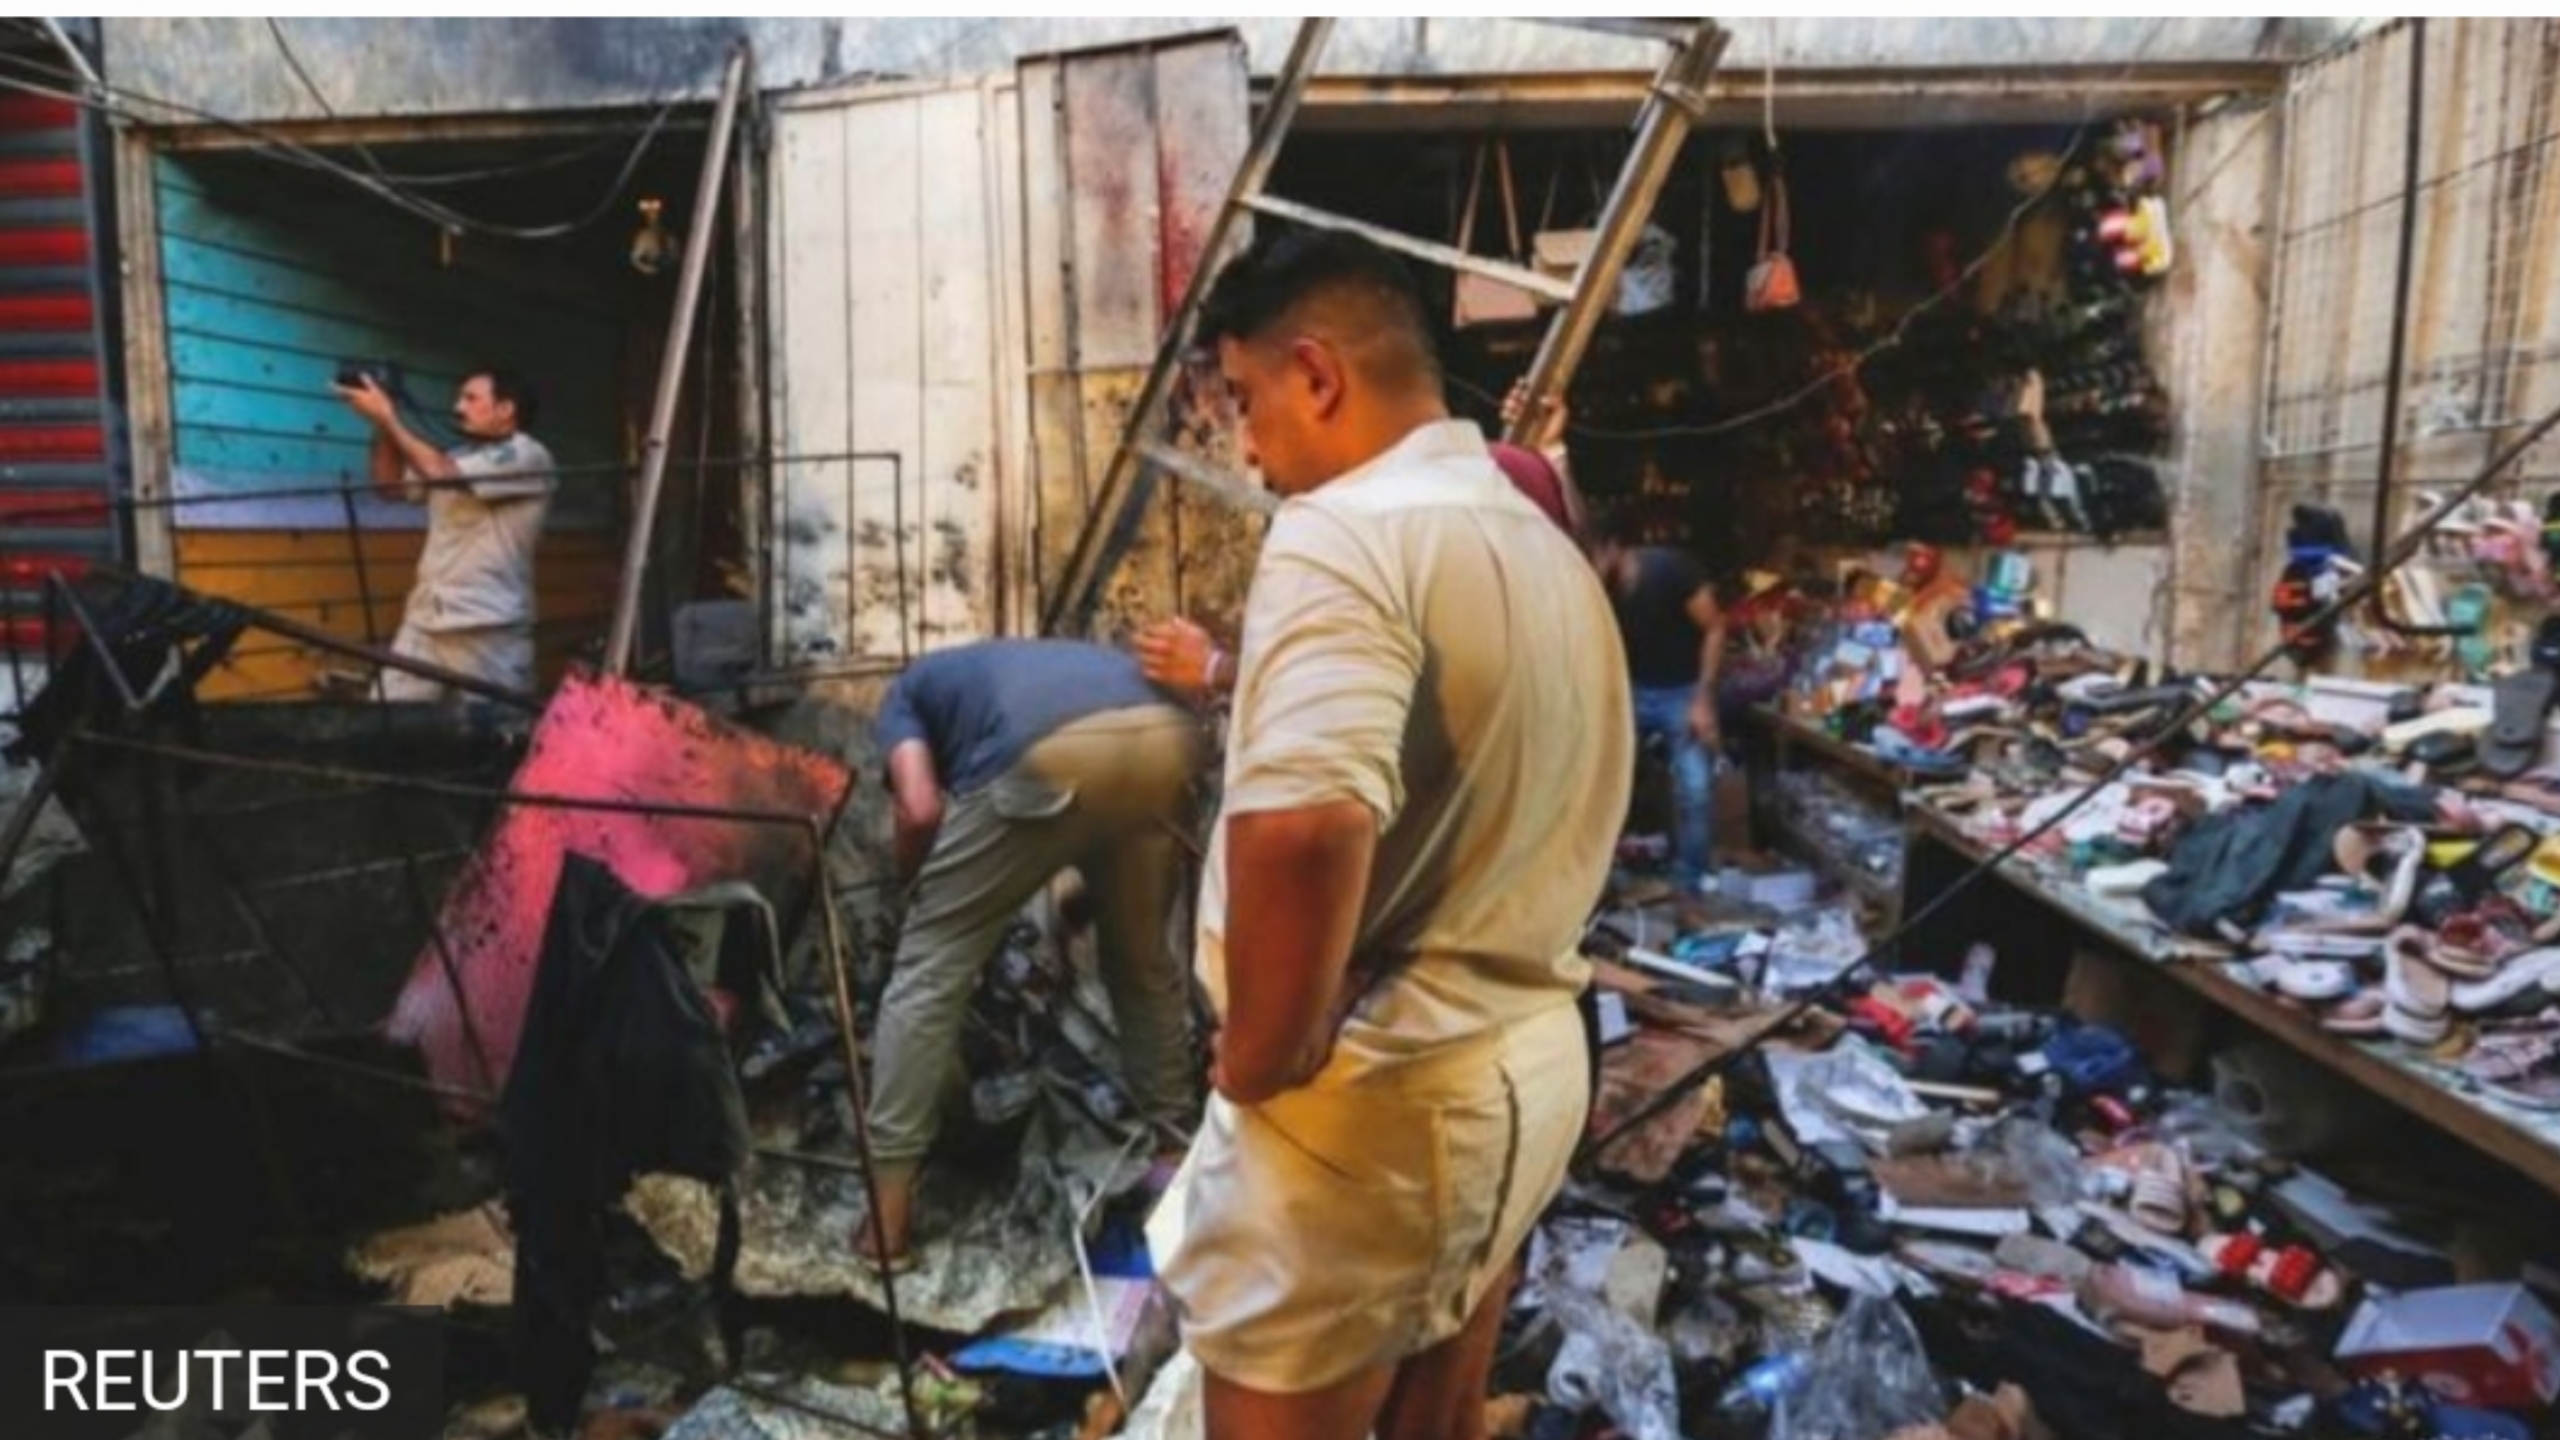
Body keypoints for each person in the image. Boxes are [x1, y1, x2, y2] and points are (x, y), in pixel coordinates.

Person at [1146, 229, 1630, 1440]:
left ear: (1316, 374)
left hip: (1374, 1116)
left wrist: (1256, 1053)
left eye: (1246, 401)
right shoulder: (1543, 547)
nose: (1249, 448)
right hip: (1523, 1068)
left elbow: (1308, 826)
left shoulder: (1345, 530)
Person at [859, 639, 1202, 1266]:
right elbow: (1095, 829)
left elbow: (918, 809)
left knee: (928, 973)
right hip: (1166, 741)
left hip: (1049, 754)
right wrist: (1078, 903)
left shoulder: (904, 694)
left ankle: (886, 1225)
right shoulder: (1021, 665)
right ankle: (1176, 1163)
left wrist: (918, 898)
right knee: (1142, 965)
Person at [1133, 374, 1583, 701]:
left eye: (1250, 405)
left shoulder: (1357, 532)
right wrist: (1548, 455)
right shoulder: (1508, 476)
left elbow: (1327, 682)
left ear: (1324, 387)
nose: (1250, 450)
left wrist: (1213, 667)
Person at [335, 366, 557, 702]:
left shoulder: (527, 455)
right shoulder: (458, 457)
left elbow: (441, 473)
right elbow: (389, 487)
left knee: (497, 724)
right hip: (427, 617)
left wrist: (389, 417)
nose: (458, 407)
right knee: (387, 717)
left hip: (487, 624)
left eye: (470, 398)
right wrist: (381, 424)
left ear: (505, 409)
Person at [1590, 510, 1728, 887]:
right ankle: (1603, 873)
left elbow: (1715, 627)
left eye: (1592, 557)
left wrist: (1703, 698)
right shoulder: (1599, 591)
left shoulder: (1670, 570)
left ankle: (1692, 878)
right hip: (1631, 690)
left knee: (1694, 789)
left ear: (1612, 549)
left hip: (1682, 690)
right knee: (1605, 781)